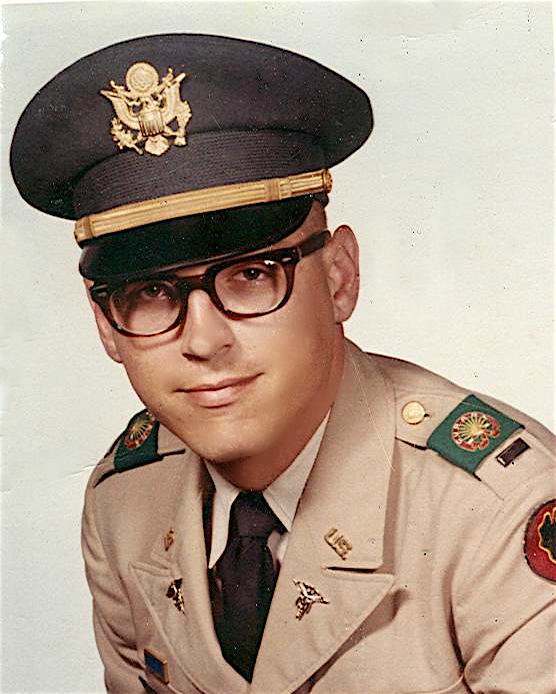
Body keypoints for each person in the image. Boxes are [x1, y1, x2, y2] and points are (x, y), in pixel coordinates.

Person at [10, 33, 555, 694]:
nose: (204, 341)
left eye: (251, 274)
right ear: (105, 324)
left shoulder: (495, 512)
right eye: (150, 292)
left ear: (339, 278)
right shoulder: (123, 501)